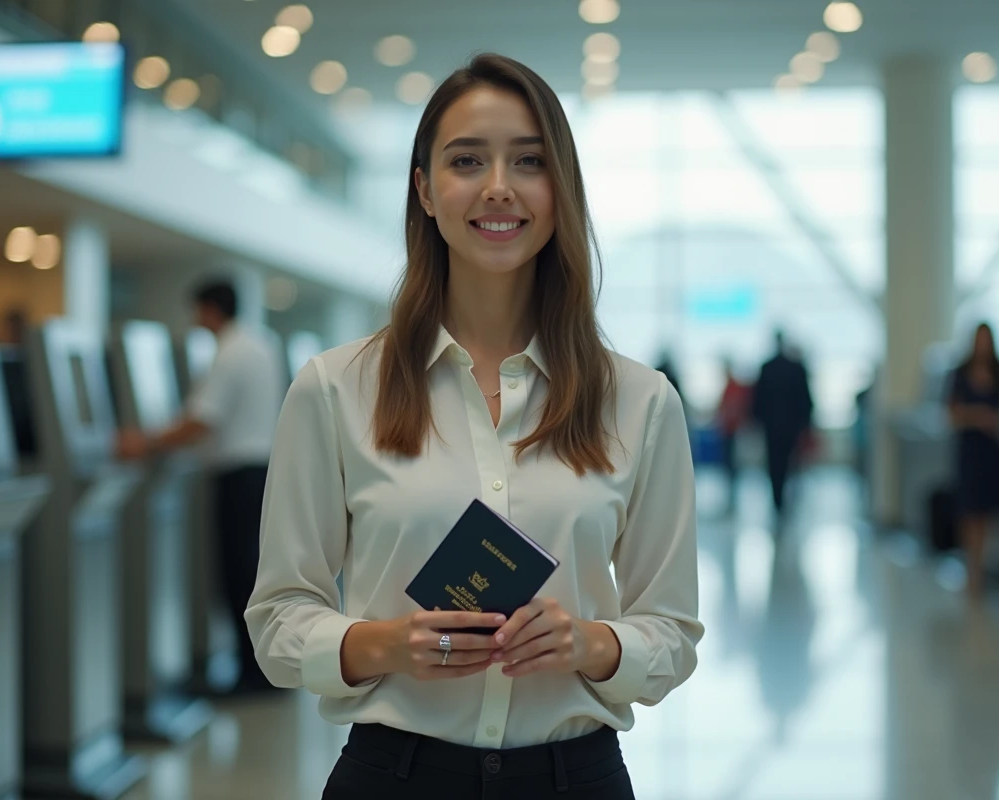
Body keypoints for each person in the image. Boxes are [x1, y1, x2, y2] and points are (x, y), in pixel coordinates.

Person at [246, 54, 703, 800]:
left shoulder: (641, 401)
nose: (498, 186)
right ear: (425, 190)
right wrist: (381, 643)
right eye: (467, 160)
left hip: (574, 778)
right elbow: (277, 618)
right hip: (392, 776)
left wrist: (589, 641)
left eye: (529, 160)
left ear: (561, 190)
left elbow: (672, 631)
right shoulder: (334, 389)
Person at [115, 279, 285, 694]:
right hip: (261, 470)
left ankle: (252, 674)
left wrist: (145, 442)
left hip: (239, 476)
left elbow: (201, 420)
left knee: (238, 575)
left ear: (210, 310)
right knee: (253, 572)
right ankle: (259, 667)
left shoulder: (229, 352)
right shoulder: (260, 344)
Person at [947, 323, 999, 598]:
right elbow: (951, 412)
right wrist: (978, 416)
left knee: (986, 511)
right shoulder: (961, 372)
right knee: (968, 509)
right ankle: (971, 566)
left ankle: (981, 567)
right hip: (969, 449)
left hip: (991, 450)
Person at [752, 330, 814, 515]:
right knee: (790, 461)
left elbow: (758, 399)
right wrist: (805, 423)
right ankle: (786, 497)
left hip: (771, 427)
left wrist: (757, 421)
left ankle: (777, 499)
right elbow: (805, 399)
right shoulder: (796, 368)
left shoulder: (767, 368)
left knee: (774, 463)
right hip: (791, 426)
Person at [715, 357, 751, 513]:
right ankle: (730, 496)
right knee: (728, 465)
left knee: (732, 465)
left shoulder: (734, 387)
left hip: (732, 430)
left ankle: (732, 497)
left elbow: (734, 408)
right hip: (727, 430)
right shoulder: (729, 386)